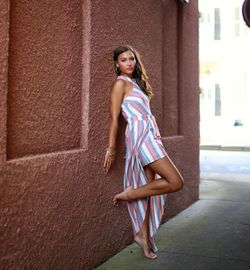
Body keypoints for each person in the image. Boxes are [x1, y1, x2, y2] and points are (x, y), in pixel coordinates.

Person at [104, 45, 184, 260]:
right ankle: (130, 194)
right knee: (175, 182)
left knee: (149, 190)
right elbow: (114, 118)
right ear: (116, 64)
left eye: (131, 59)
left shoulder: (135, 84)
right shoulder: (120, 84)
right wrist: (111, 148)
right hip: (140, 138)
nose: (129, 63)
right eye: (123, 60)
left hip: (150, 136)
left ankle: (142, 235)